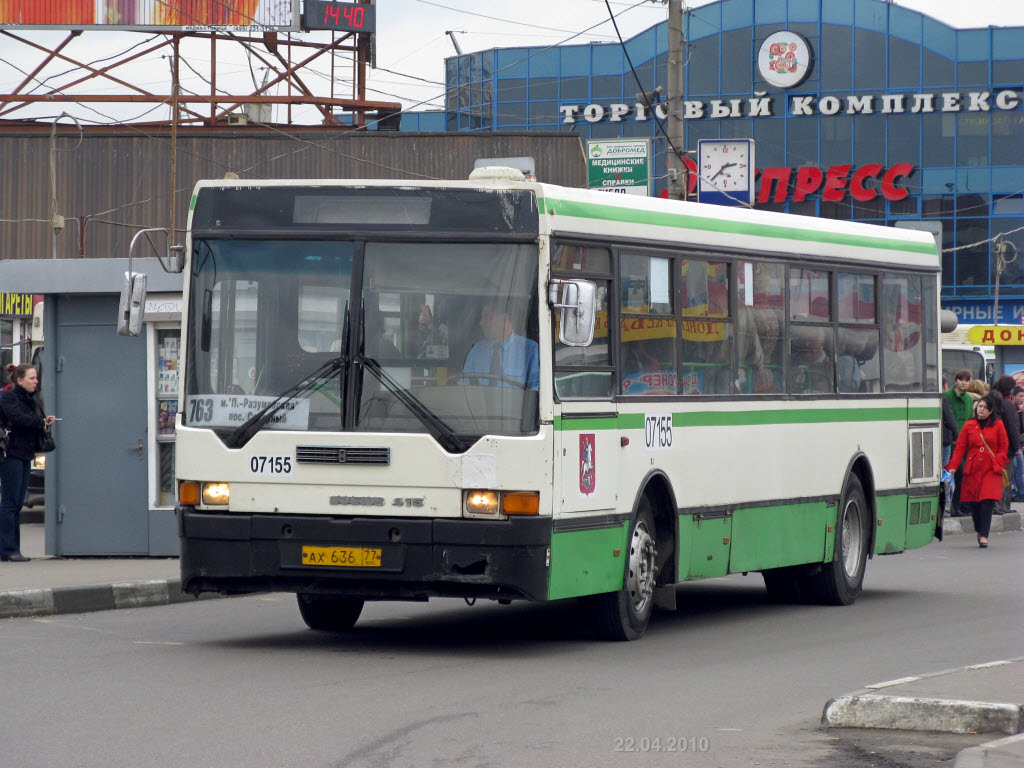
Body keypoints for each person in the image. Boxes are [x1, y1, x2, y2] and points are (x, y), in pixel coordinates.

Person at [0, 364, 56, 562]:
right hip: (10, 454)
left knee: (17, 503)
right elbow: (18, 419)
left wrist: (44, 420)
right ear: (20, 380)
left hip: (25, 454)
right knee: (10, 502)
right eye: (32, 378)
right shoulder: (9, 397)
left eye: (36, 378)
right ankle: (8, 550)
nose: (36, 381)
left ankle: (12, 549)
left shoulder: (31, 398)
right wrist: (38, 422)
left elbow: (33, 419)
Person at [944, 392, 1006, 548]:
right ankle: (978, 529)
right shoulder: (969, 425)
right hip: (973, 469)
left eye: (985, 408)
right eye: (980, 406)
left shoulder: (998, 425)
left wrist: (999, 461)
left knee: (986, 502)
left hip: (991, 469)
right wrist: (952, 466)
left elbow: (1004, 447)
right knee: (974, 504)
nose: (981, 410)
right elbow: (960, 448)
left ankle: (984, 535)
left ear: (991, 410)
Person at [463, 302, 539, 390]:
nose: (481, 323)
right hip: (478, 403)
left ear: (504, 319)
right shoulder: (476, 350)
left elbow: (535, 391)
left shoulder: (529, 349)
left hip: (515, 403)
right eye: (482, 318)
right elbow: (464, 386)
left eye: (487, 317)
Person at [991, 376, 1021, 515]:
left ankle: (995, 505)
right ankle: (1003, 506)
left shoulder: (991, 401)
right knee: (1006, 477)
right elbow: (1013, 428)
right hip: (1006, 447)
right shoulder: (1008, 405)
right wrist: (1016, 447)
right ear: (1009, 389)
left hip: (992, 446)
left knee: (994, 476)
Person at [1013, 386, 1024, 503]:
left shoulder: (1018, 410)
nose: (1022, 399)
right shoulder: (1012, 409)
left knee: (1020, 471)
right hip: (1014, 446)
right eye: (1020, 396)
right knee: (1015, 470)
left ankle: (1021, 492)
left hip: (1018, 444)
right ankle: (1014, 493)